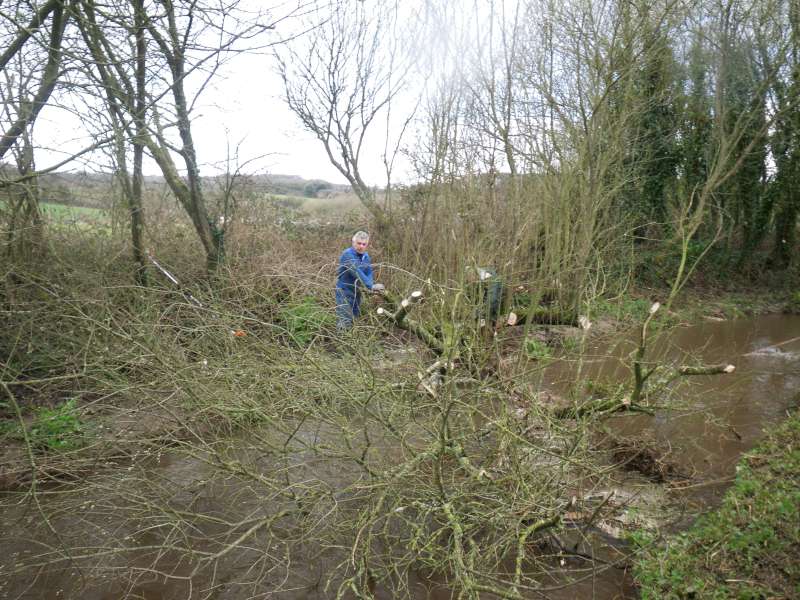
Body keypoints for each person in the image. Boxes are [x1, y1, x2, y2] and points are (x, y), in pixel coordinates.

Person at [335, 231, 384, 331]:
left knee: (354, 318)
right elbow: (356, 272)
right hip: (344, 292)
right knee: (345, 321)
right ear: (353, 242)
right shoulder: (347, 255)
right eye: (359, 243)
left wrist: (371, 287)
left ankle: (352, 341)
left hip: (357, 292)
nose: (361, 246)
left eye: (364, 244)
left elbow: (368, 272)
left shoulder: (365, 256)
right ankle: (342, 342)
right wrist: (371, 286)